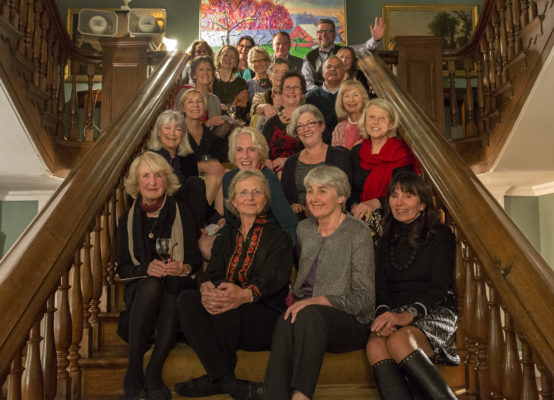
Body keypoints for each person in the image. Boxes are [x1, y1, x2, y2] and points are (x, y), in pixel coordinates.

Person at [175, 169, 293, 400]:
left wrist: (244, 294)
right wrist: (206, 287)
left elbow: (274, 279)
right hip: (226, 312)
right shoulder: (226, 236)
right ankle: (229, 382)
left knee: (227, 305)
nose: (249, 197)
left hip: (263, 317)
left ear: (266, 199)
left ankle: (214, 379)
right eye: (243, 192)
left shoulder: (279, 238)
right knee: (186, 299)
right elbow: (214, 271)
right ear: (234, 201)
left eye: (256, 192)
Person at [264, 165, 375, 400]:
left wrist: (318, 300)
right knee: (286, 318)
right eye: (310, 191)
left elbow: (365, 301)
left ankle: (301, 397)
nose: (313, 198)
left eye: (322, 190)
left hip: (348, 321)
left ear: (341, 197)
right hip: (308, 318)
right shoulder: (304, 229)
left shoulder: (358, 232)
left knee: (308, 313)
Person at [366, 172, 459, 400]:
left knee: (399, 340)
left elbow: (438, 289)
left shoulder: (441, 235)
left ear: (423, 204)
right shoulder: (384, 238)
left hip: (434, 308)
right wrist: (385, 315)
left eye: (408, 196)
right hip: (396, 311)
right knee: (375, 344)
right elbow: (380, 287)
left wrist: (407, 315)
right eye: (395, 196)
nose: (399, 202)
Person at [116, 152, 202, 400]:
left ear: (166, 179)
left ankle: (152, 371)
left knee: (172, 291)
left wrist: (183, 268)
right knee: (153, 284)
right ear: (137, 181)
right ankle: (134, 370)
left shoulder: (182, 213)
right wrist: (146, 269)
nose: (152, 181)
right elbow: (123, 269)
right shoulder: (126, 221)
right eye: (146, 176)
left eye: (158, 175)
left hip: (176, 286)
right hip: (142, 292)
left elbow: (195, 260)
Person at [220, 127, 298, 243]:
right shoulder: (228, 178)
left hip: (266, 238)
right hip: (240, 236)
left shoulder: (269, 178)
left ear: (260, 152)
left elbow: (288, 222)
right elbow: (230, 221)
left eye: (251, 149)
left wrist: (287, 252)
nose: (245, 156)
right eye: (239, 149)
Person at [351, 98, 417, 224]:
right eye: (371, 117)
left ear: (391, 124)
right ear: (364, 121)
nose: (376, 122)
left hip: (394, 217)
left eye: (382, 118)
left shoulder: (402, 153)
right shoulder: (356, 151)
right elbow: (350, 188)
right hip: (360, 216)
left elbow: (406, 193)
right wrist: (354, 205)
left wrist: (376, 203)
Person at [281, 104, 351, 218]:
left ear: (322, 126)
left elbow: (347, 194)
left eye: (310, 123)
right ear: (296, 132)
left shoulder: (341, 156)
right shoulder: (290, 163)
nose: (306, 129)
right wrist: (293, 205)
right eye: (300, 126)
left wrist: (317, 209)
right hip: (300, 222)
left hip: (334, 219)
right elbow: (285, 199)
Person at [148, 110, 210, 232]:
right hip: (162, 213)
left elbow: (195, 197)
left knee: (195, 182)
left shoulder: (187, 158)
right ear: (159, 132)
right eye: (167, 128)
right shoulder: (151, 158)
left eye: (178, 129)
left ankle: (196, 233)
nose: (172, 133)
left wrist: (217, 219)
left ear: (183, 135)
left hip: (186, 215)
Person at [302, 17, 385, 91]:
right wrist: (325, 92)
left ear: (334, 35)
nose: (324, 34)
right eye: (320, 31)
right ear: (316, 35)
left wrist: (375, 40)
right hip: (319, 99)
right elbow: (307, 83)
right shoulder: (309, 57)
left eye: (328, 31)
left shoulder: (344, 51)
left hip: (343, 96)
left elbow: (365, 47)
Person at [179, 89, 228, 205]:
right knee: (214, 177)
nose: (195, 105)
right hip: (184, 180)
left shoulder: (207, 133)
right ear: (183, 108)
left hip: (207, 178)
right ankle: (200, 218)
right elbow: (175, 163)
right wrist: (202, 166)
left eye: (199, 101)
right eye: (190, 102)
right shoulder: (177, 131)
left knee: (227, 174)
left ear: (204, 107)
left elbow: (220, 155)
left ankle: (218, 220)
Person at [261, 71, 305, 173]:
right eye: (287, 88)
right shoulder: (271, 122)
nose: (291, 91)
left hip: (300, 170)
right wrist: (266, 161)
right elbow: (263, 149)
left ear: (303, 94)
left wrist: (289, 161)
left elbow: (315, 152)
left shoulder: (309, 119)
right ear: (281, 93)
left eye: (296, 87)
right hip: (273, 171)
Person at [175, 56, 229, 138]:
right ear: (194, 75)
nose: (206, 72)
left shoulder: (214, 99)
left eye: (209, 69)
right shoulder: (185, 92)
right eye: (201, 69)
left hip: (209, 140)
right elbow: (177, 121)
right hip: (186, 138)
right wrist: (205, 124)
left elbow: (214, 127)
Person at [305, 56, 345, 143]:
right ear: (323, 73)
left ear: (343, 73)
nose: (333, 69)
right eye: (329, 67)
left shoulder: (349, 96)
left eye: (337, 67)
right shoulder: (310, 98)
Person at [249, 58, 289, 131]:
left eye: (284, 73)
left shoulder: (295, 96)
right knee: (256, 118)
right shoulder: (260, 96)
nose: (280, 75)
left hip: (288, 134)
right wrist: (265, 106)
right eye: (276, 72)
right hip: (266, 135)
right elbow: (254, 108)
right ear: (270, 76)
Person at [213, 45, 249, 121]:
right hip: (211, 118)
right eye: (225, 55)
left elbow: (242, 111)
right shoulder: (210, 79)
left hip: (232, 122)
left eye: (232, 57)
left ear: (236, 63)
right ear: (219, 57)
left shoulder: (241, 83)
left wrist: (226, 108)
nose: (228, 58)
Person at [332, 79, 369, 149]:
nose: (351, 99)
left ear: (363, 98)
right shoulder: (339, 128)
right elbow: (335, 156)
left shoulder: (371, 123)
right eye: (346, 96)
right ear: (341, 101)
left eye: (355, 95)